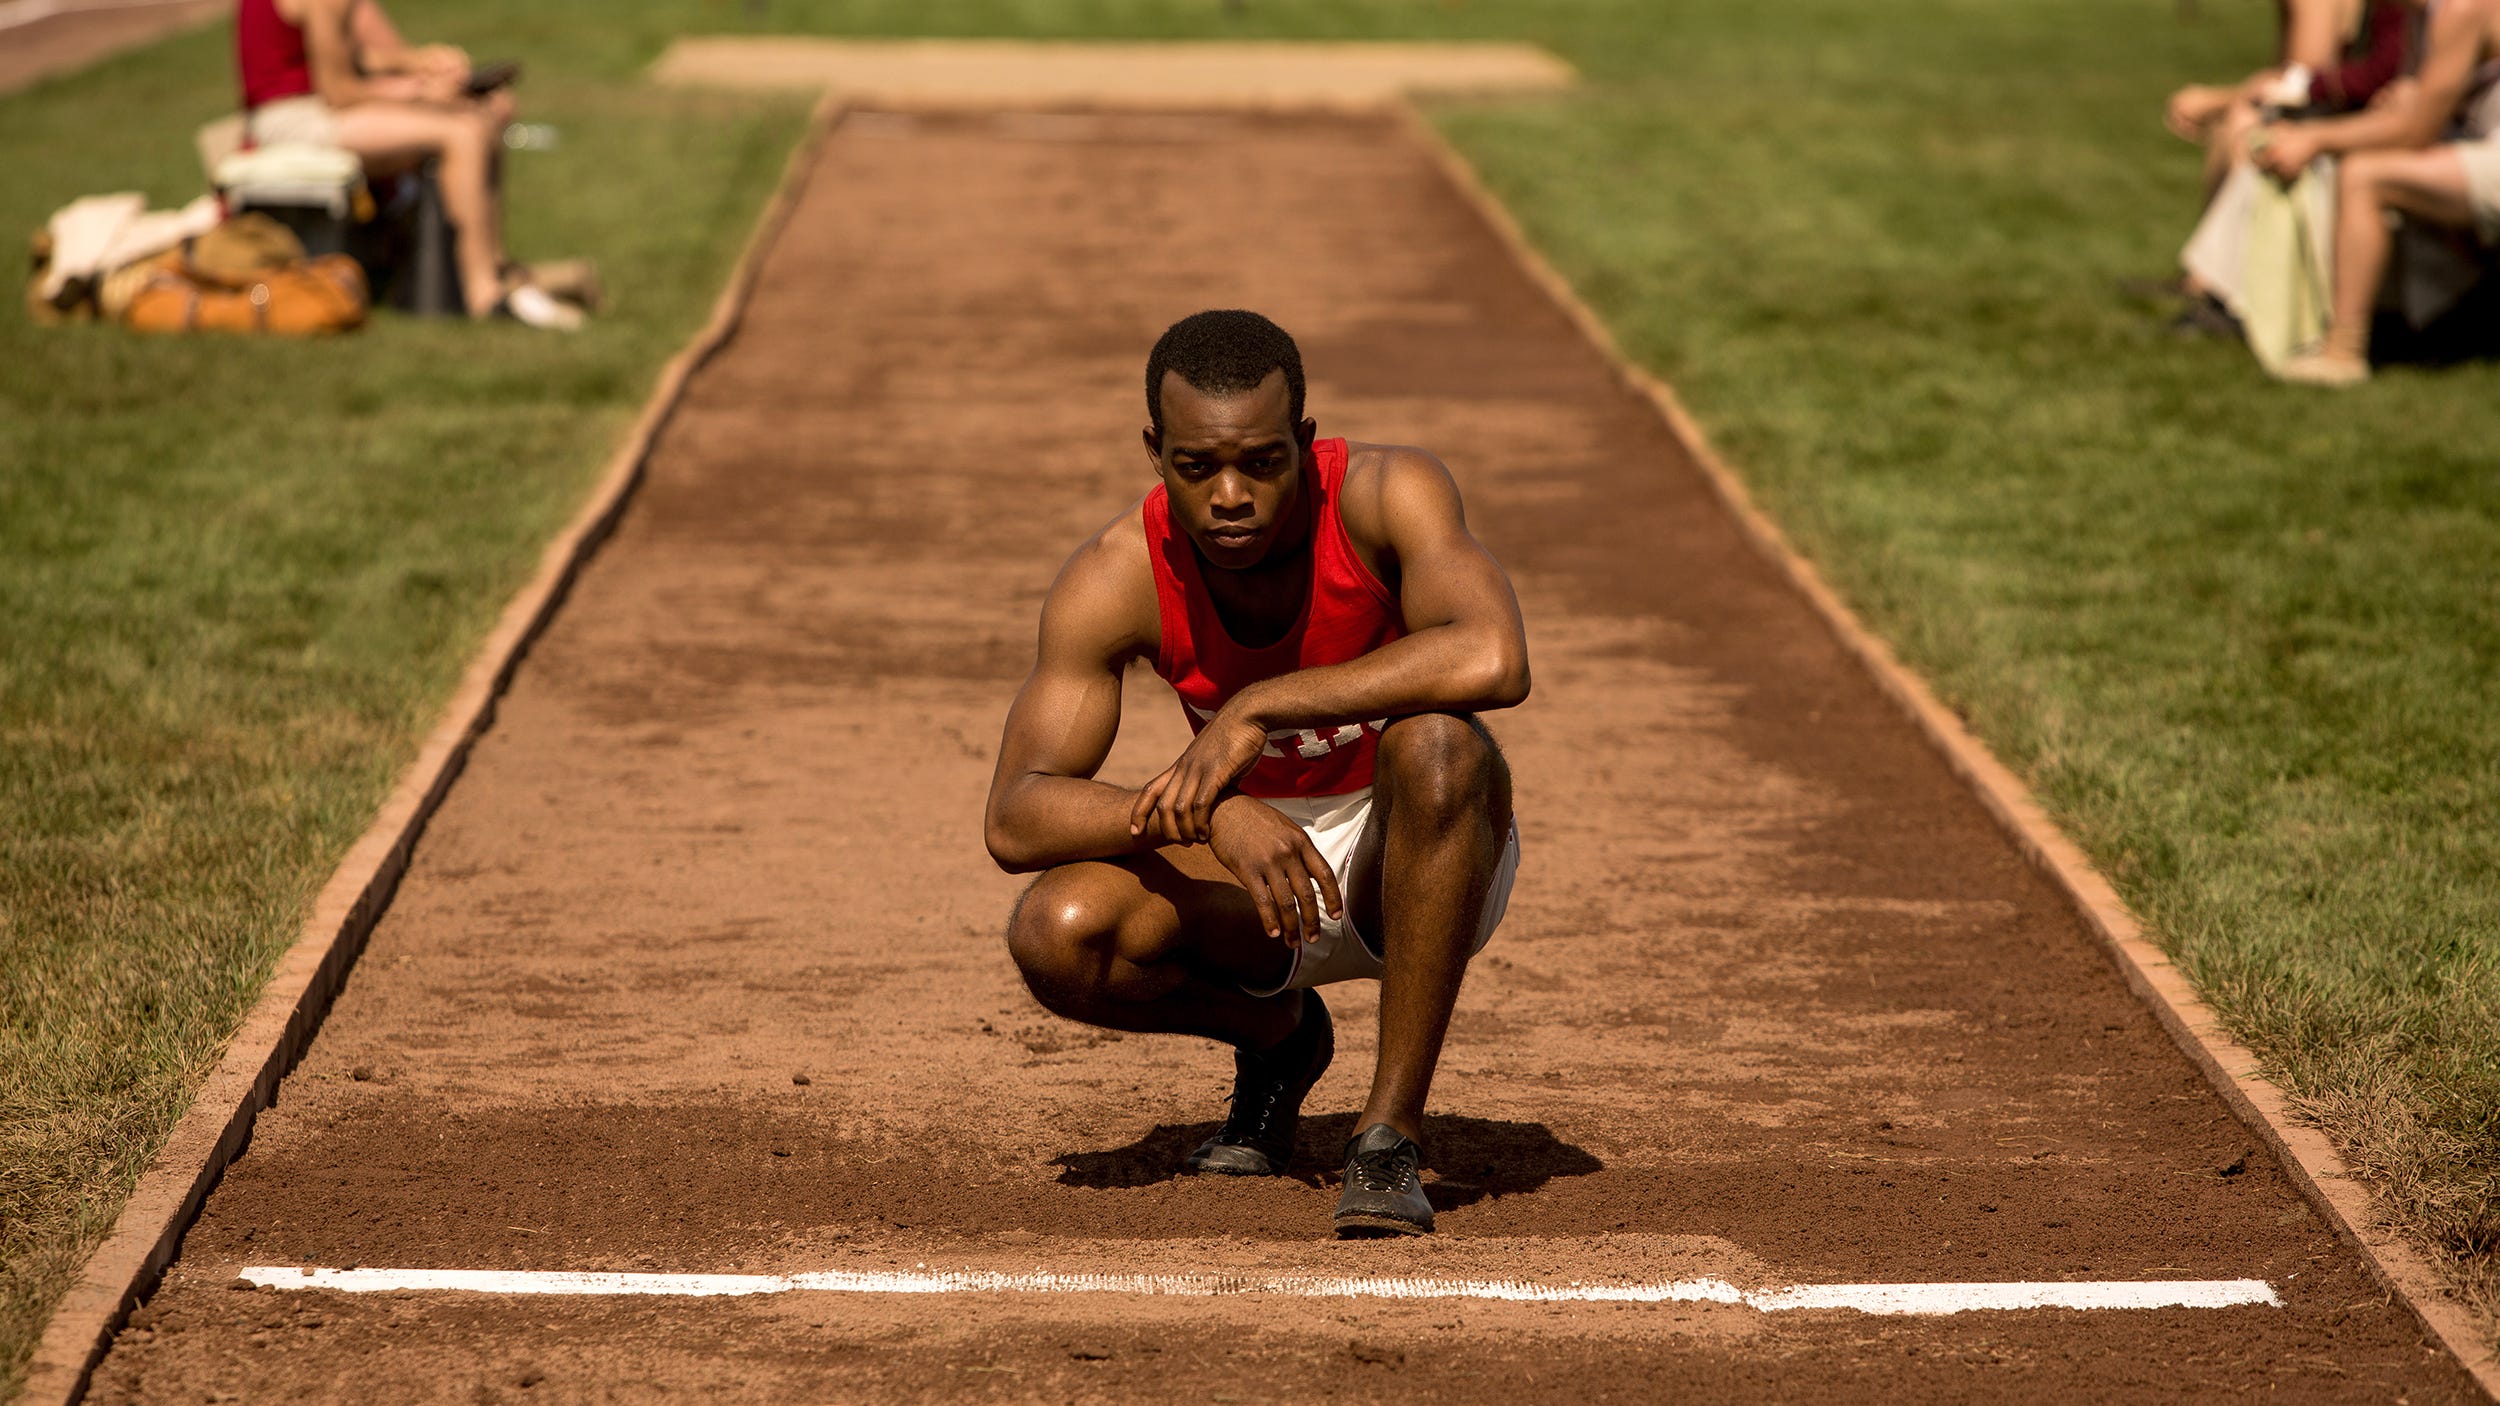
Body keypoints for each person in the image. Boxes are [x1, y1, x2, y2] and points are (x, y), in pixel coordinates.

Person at [983, 310, 1529, 1238]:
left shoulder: (1389, 493)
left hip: (1419, 846)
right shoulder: (1116, 574)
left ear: (1305, 446)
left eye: (1262, 463)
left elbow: (1494, 657)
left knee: (1439, 742)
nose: (1230, 495)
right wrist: (1212, 818)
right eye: (1197, 468)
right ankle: (1280, 1040)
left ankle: (1388, 1135)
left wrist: (1257, 706)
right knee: (1058, 931)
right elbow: (1017, 818)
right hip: (1251, 879)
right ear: (1155, 453)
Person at [234, 0, 578, 328]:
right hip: (293, 117)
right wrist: (417, 93)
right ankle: (483, 294)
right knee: (462, 133)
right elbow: (339, 90)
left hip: (316, 106)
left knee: (481, 114)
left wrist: (417, 64)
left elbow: (354, 55)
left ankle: (495, 267)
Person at [2255, 0, 2500, 383]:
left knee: (2365, 176)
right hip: (2480, 143)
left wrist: (2313, 139)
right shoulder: (2424, 15)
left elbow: (2414, 130)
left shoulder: (2463, 9)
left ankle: (2343, 351)